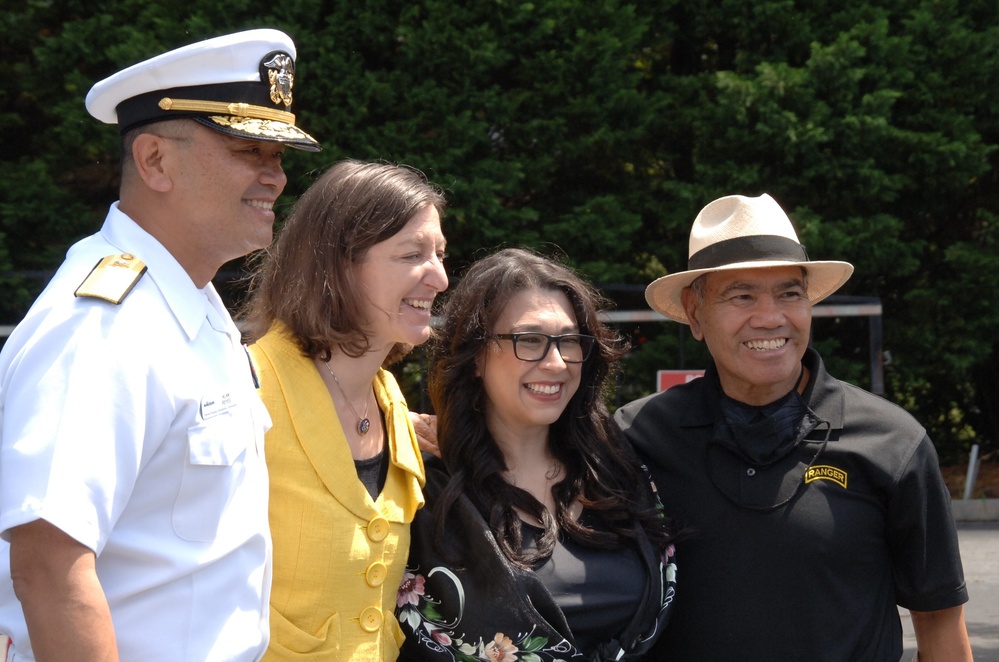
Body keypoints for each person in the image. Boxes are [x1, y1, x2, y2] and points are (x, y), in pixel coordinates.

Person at [0, 29, 321, 661]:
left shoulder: (188, 304)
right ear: (154, 161)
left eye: (279, 156)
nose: (275, 177)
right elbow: (47, 563)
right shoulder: (100, 326)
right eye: (248, 149)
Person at [614, 193, 972, 661]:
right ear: (695, 313)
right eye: (741, 295)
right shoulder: (636, 438)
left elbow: (940, 621)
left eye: (789, 293)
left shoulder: (894, 443)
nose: (770, 317)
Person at [396, 248, 678, 661]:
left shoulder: (619, 472)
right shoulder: (423, 493)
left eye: (569, 341)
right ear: (476, 356)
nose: (557, 361)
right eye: (529, 340)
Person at [240, 159, 448, 660]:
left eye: (440, 254)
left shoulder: (393, 404)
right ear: (338, 263)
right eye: (411, 254)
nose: (439, 277)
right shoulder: (242, 389)